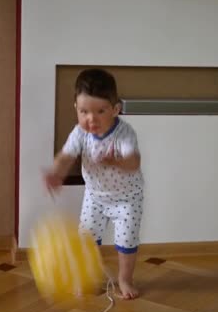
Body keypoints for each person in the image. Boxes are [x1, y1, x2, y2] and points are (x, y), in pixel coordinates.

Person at [44, 68, 144, 300]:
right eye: (84, 111)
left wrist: (116, 161)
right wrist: (55, 172)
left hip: (127, 198)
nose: (91, 119)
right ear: (76, 109)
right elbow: (66, 156)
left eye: (100, 111)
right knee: (86, 240)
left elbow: (134, 162)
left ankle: (125, 279)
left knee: (126, 242)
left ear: (115, 109)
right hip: (95, 197)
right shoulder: (80, 133)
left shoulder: (125, 133)